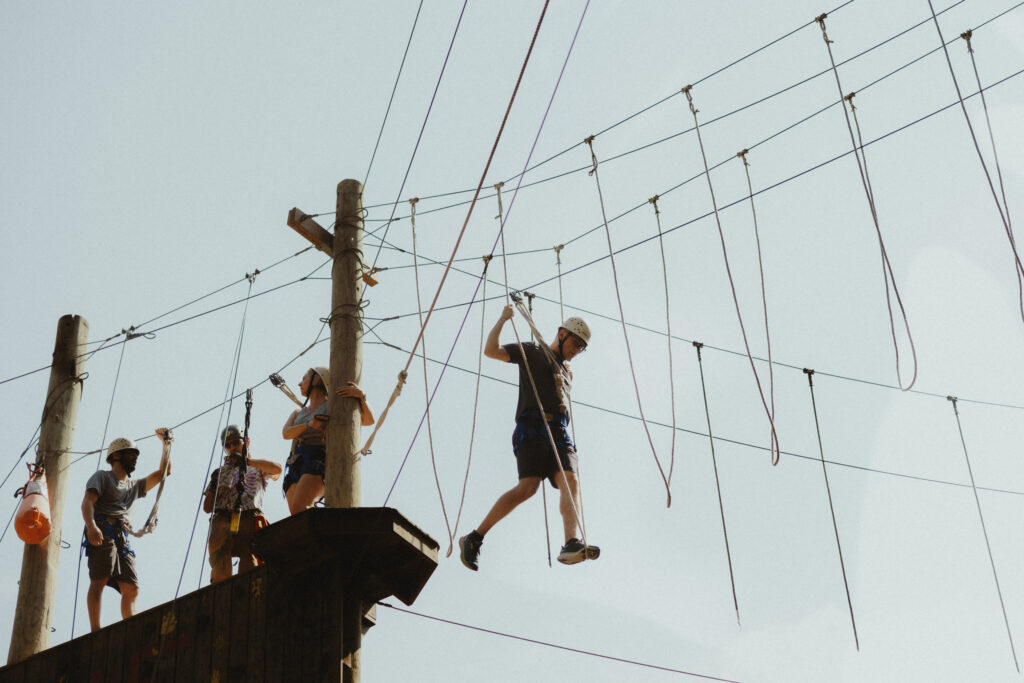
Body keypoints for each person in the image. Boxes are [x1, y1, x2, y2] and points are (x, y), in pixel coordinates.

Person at [459, 305, 598, 571]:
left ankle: (571, 542)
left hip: (558, 431)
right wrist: (502, 319)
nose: (576, 349)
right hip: (533, 426)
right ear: (561, 333)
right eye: (575, 342)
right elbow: (491, 351)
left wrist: (565, 379)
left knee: (572, 479)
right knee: (528, 488)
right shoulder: (534, 352)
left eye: (582, 347)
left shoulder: (564, 373)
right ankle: (475, 538)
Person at [81, 432, 171, 632]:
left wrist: (166, 445)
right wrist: (91, 526)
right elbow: (88, 502)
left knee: (131, 588)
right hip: (104, 528)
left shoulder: (134, 486)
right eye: (131, 454)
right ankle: (95, 629)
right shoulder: (102, 477)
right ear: (116, 456)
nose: (135, 458)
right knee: (99, 580)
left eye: (136, 455)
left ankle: (130, 627)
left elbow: (163, 473)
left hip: (122, 535)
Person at [281, 366, 374, 514]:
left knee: (301, 509)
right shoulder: (298, 413)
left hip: (316, 460)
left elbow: (368, 420)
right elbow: (286, 433)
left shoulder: (333, 408)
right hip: (295, 462)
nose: (299, 383)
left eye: (304, 378)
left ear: (317, 379)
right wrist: (309, 424)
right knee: (296, 516)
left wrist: (361, 398)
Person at [203, 425, 282, 583]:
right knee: (221, 566)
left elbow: (277, 469)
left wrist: (247, 461)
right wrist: (214, 484)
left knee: (249, 565)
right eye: (228, 445)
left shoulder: (257, 467)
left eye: (236, 442)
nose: (232, 447)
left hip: (248, 519)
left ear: (246, 442)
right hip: (224, 520)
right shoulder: (221, 472)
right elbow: (207, 508)